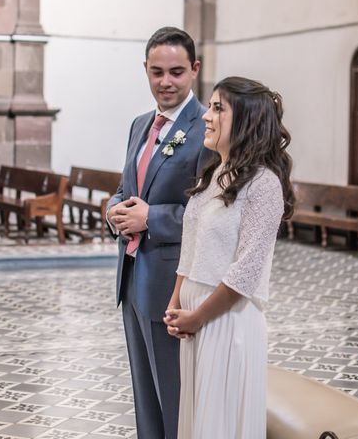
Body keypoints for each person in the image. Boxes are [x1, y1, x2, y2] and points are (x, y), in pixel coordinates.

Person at [163, 76, 294, 438]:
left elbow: (246, 271)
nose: (207, 115)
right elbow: (190, 248)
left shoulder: (263, 184)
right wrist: (177, 305)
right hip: (196, 317)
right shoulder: (217, 174)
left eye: (218, 108)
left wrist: (197, 317)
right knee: (197, 420)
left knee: (218, 423)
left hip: (226, 319)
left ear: (247, 119)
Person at [106, 26, 212, 439]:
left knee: (173, 389)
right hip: (132, 276)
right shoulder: (139, 124)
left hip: (173, 280)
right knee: (144, 389)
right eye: (157, 72)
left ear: (194, 70)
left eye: (176, 72)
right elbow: (124, 190)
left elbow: (210, 213)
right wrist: (114, 209)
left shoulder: (207, 129)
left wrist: (152, 218)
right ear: (145, 71)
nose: (166, 82)